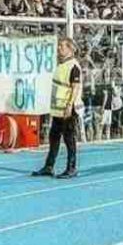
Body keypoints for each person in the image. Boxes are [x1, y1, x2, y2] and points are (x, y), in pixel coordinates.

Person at [33, 37, 82, 179]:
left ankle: (71, 167)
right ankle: (49, 166)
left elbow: (75, 87)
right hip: (57, 109)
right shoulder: (61, 65)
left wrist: (69, 105)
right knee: (53, 138)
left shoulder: (73, 66)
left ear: (70, 49)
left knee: (69, 139)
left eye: (62, 46)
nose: (59, 49)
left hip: (68, 109)